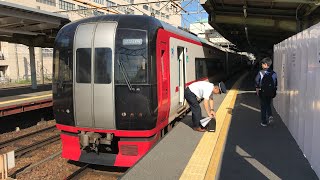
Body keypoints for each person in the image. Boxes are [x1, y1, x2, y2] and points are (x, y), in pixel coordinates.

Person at [255, 57, 277, 127]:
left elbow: (256, 81)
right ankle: (270, 115)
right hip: (271, 92)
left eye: (262, 64)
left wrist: (257, 89)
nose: (261, 65)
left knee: (263, 106)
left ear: (265, 64)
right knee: (268, 104)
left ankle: (264, 122)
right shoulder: (274, 73)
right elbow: (275, 83)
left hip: (263, 92)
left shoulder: (261, 72)